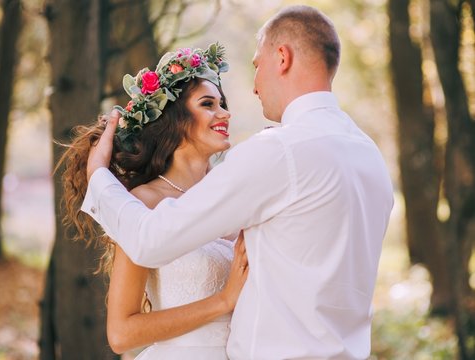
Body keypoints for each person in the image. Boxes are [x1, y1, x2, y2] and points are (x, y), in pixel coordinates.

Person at [83, 5, 394, 360]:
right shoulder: (370, 157)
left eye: (256, 65)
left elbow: (150, 239)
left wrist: (99, 179)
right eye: (208, 103)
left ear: (282, 57)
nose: (255, 86)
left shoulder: (279, 151)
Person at [60, 44, 248, 359]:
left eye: (223, 104)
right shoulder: (144, 203)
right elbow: (122, 334)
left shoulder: (232, 198)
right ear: (175, 119)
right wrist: (222, 301)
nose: (225, 113)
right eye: (208, 104)